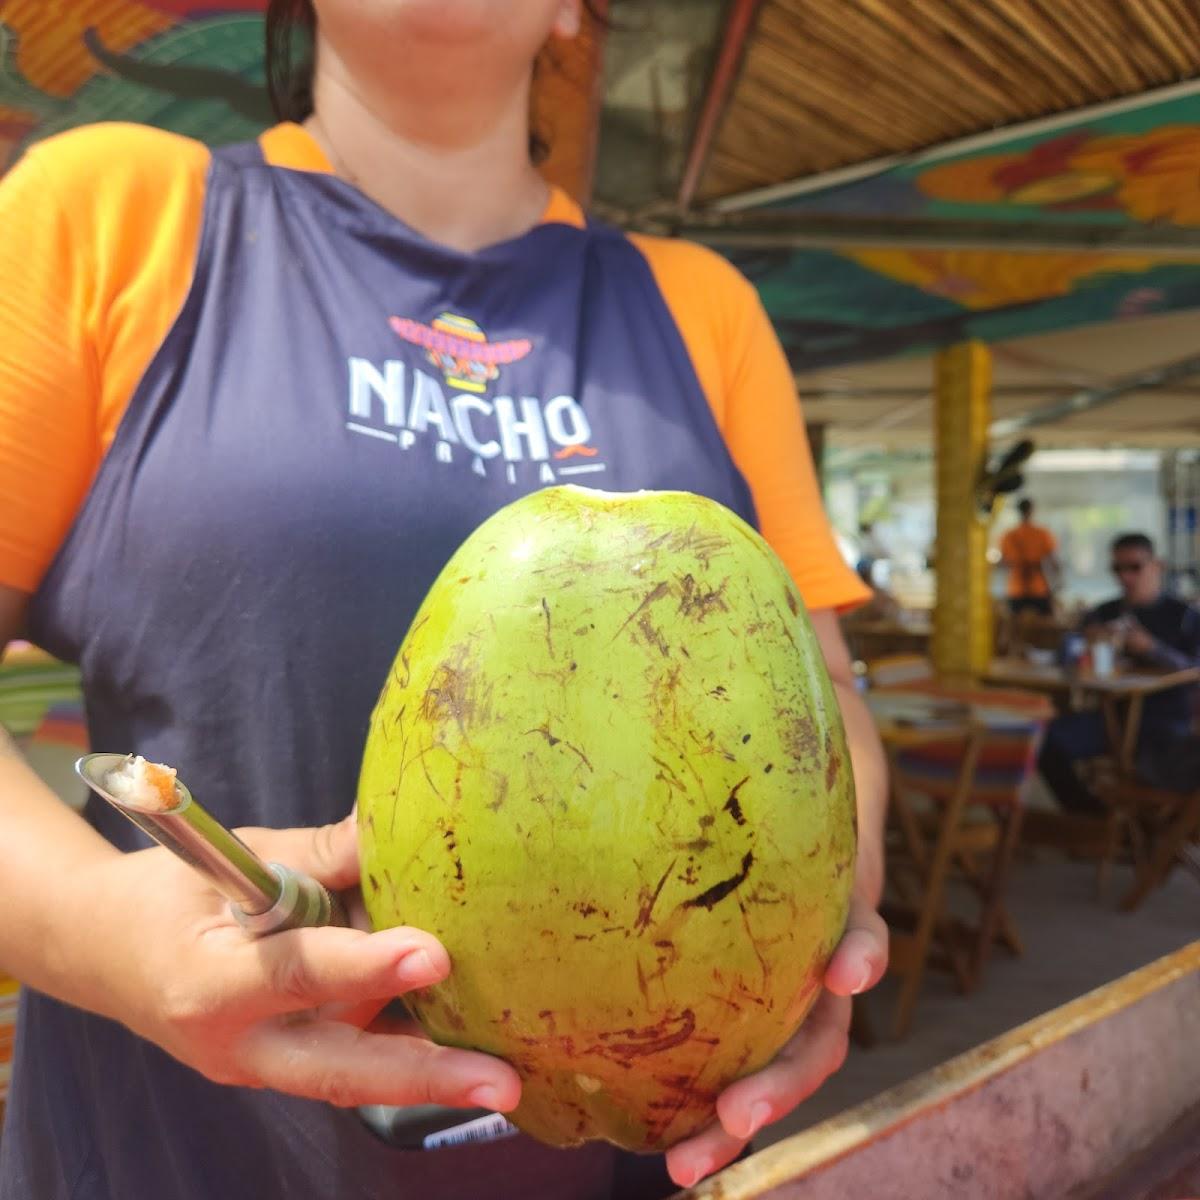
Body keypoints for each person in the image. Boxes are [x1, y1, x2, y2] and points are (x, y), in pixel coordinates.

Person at [0, 2, 888, 1198]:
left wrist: (827, 919)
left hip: (645, 1136)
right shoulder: (112, 210)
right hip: (182, 1147)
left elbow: (819, 690)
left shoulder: (698, 305)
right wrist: (98, 926)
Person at [1038, 533, 1200, 815]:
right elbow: (1064, 654)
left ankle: (1150, 829)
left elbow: (1194, 669)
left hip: (1164, 725)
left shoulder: (1184, 615)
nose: (1125, 577)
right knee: (1043, 739)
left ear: (1156, 566)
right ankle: (1091, 820)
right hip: (1111, 717)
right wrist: (1084, 642)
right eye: (1117, 569)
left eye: (1134, 567)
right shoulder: (1106, 611)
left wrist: (1152, 648)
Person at [999, 498, 1059, 616]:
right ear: (1032, 511)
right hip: (1036, 586)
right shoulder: (1042, 533)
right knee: (1045, 624)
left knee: (1016, 625)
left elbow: (1003, 563)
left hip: (1018, 586)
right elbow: (1053, 562)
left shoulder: (1009, 535)